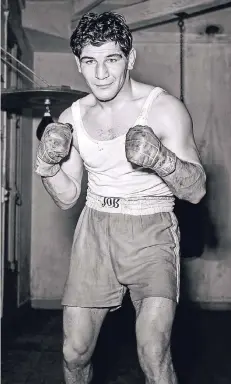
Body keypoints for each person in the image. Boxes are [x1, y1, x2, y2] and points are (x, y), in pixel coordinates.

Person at [35, 11, 206, 384]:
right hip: (95, 229)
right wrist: (47, 167)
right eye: (90, 62)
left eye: (111, 59)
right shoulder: (73, 116)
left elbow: (196, 190)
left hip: (152, 228)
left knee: (153, 350)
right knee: (74, 352)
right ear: (78, 64)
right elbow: (67, 198)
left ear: (130, 58)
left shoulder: (164, 109)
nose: (101, 74)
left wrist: (162, 160)